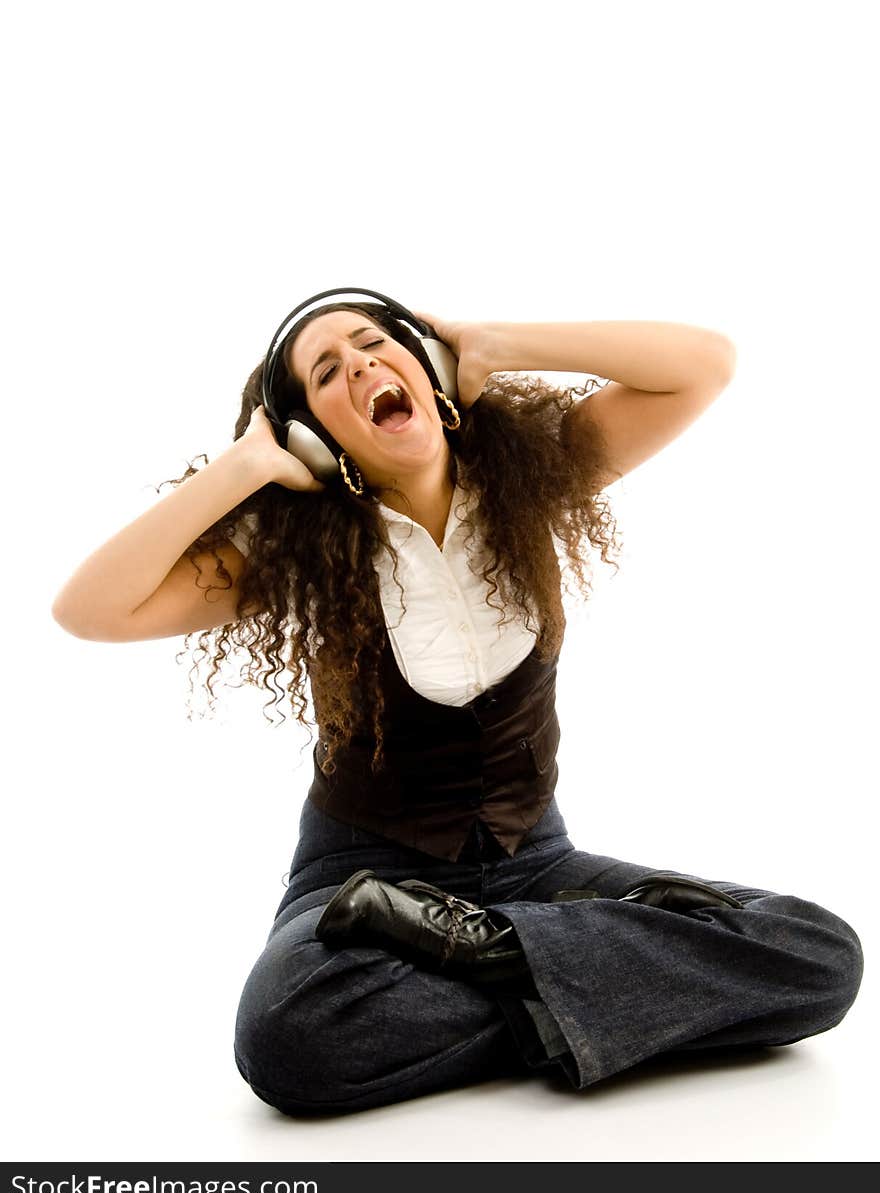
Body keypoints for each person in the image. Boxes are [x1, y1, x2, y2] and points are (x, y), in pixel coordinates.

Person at [51, 297, 863, 1118]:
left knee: (821, 955)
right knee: (288, 1036)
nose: (361, 365)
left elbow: (705, 365)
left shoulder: (530, 478)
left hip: (538, 865)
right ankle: (600, 987)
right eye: (327, 373)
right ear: (311, 436)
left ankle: (504, 956)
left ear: (434, 375)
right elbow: (88, 610)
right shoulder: (295, 550)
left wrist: (498, 344)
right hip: (368, 885)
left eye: (373, 344)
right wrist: (246, 465)